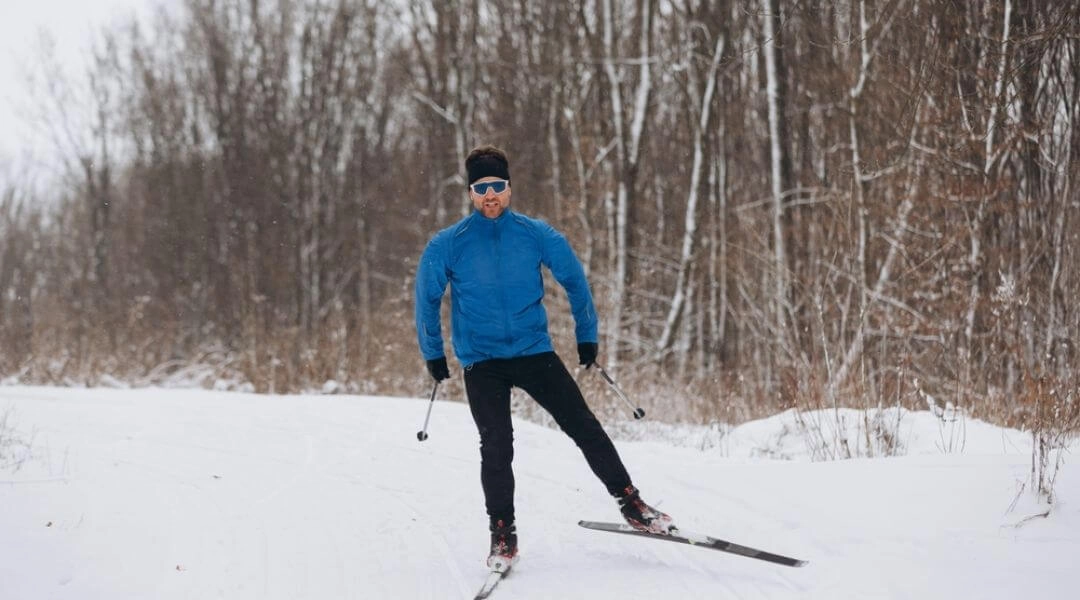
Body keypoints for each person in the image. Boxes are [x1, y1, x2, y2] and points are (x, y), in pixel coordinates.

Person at [414, 145, 672, 570]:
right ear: (471, 193)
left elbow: (575, 282)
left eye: (497, 186)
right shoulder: (448, 244)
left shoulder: (537, 235)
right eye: (481, 188)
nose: (490, 195)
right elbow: (426, 299)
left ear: (510, 188)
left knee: (584, 426)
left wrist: (587, 338)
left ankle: (632, 504)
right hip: (482, 361)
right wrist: (433, 353)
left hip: (534, 352)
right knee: (497, 446)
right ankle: (502, 534)